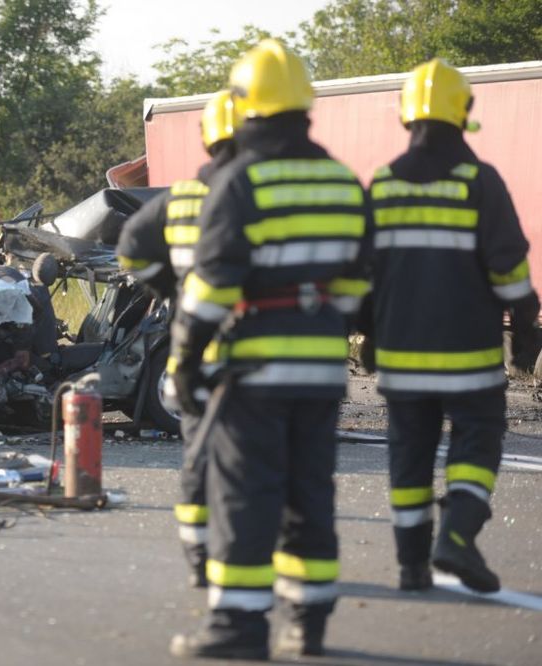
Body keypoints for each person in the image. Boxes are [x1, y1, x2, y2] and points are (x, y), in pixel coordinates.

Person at [168, 40, 371, 659]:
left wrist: (185, 360)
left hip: (253, 372)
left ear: (245, 105)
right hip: (319, 373)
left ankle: (237, 627)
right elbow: (361, 287)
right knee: (310, 493)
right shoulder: (342, 181)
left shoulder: (240, 181)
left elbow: (210, 287)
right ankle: (307, 622)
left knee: (245, 493)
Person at [367, 59, 540, 594]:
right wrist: (528, 331)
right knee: (478, 443)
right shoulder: (478, 182)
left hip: (401, 360)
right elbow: (509, 266)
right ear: (464, 115)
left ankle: (411, 567)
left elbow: (363, 270)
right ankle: (458, 538)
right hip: (469, 361)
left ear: (406, 116)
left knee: (409, 460)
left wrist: (368, 336)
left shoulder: (384, 185)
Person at [116, 91, 242, 590]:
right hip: (265, 358)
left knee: (201, 459)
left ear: (208, 138)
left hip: (200, 354)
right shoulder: (266, 192)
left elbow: (132, 247)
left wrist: (171, 290)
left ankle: (201, 559)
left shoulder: (188, 195)